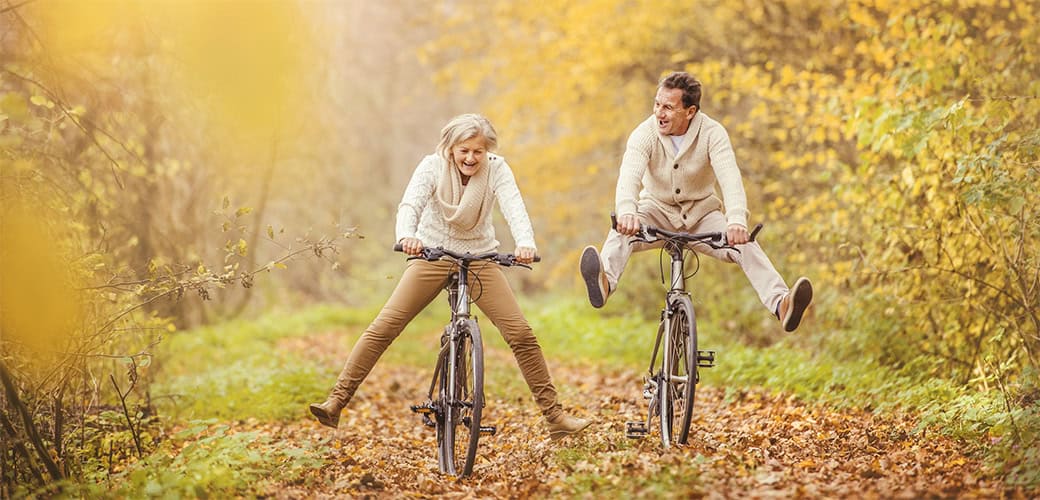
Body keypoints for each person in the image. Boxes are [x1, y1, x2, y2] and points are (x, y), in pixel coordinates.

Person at [310, 113, 590, 440]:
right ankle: (336, 402)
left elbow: (515, 208)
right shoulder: (431, 166)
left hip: (480, 256)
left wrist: (525, 242)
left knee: (521, 334)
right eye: (464, 151)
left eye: (478, 151)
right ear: (450, 148)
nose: (471, 158)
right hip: (432, 253)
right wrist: (407, 236)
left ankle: (555, 418)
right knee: (385, 326)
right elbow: (410, 205)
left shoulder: (497, 169)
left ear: (487, 151)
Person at [579, 72, 813, 331]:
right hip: (655, 211)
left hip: (702, 216)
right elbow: (629, 177)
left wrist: (736, 220)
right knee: (620, 233)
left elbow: (730, 179)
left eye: (668, 107)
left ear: (690, 112)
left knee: (746, 245)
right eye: (657, 104)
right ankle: (605, 283)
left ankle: (781, 303)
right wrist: (627, 211)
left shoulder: (713, 133)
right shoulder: (644, 133)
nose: (659, 113)